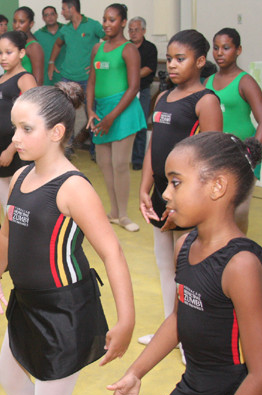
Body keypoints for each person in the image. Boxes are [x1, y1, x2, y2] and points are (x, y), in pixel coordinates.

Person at [0, 83, 135, 395]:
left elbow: (112, 253)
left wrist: (126, 320)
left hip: (64, 312)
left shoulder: (73, 187)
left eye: (26, 129)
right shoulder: (22, 177)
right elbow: (7, 235)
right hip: (25, 302)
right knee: (8, 376)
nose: (15, 138)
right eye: (14, 128)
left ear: (56, 132)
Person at [108, 132, 262, 395]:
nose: (165, 194)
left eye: (176, 183)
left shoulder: (241, 265)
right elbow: (178, 319)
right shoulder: (185, 245)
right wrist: (135, 373)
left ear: (217, 186)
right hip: (194, 387)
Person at [137, 29, 223, 350]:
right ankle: (170, 332)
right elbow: (152, 147)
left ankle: (192, 339)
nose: (172, 65)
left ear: (200, 62)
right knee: (165, 265)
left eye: (180, 59)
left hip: (188, 198)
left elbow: (211, 159)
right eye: (170, 58)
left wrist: (181, 202)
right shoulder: (162, 97)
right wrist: (146, 188)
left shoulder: (205, 101)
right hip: (162, 194)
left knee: (188, 270)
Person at [86, 4, 146, 233]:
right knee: (104, 164)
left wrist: (112, 116)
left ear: (122, 22)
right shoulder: (97, 49)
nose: (107, 24)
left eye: (112, 20)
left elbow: (134, 87)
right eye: (104, 19)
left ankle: (123, 215)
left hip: (123, 110)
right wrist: (90, 110)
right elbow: (91, 81)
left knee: (120, 164)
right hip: (101, 111)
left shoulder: (129, 50)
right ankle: (113, 212)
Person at [205, 27, 262, 233]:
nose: (219, 53)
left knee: (239, 210)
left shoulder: (245, 81)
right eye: (216, 48)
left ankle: (239, 248)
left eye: (226, 48)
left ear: (238, 50)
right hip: (216, 154)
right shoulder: (208, 81)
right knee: (216, 207)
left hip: (243, 154)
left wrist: (252, 154)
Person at [0, 30, 38, 209]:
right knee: (5, 201)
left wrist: (11, 150)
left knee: (22, 198)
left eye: (8, 52)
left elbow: (31, 119)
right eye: (0, 52)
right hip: (0, 148)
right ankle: (8, 235)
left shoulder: (25, 79)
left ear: (21, 53)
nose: (3, 57)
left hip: (19, 148)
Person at [47, 0, 105, 93]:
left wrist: (98, 62)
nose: (61, 13)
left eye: (63, 9)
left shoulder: (93, 25)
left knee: (90, 106)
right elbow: (58, 44)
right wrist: (51, 62)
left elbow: (111, 41)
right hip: (67, 78)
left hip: (87, 77)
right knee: (66, 106)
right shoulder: (65, 29)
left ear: (72, 9)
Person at [128, 17, 158, 171]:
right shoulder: (125, 47)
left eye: (136, 30)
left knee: (140, 124)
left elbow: (149, 68)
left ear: (144, 31)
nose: (133, 33)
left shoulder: (150, 48)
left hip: (142, 90)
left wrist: (131, 75)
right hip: (125, 91)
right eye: (131, 30)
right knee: (126, 125)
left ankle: (138, 159)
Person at [33, 6, 66, 86]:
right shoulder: (37, 35)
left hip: (65, 75)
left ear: (57, 15)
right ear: (43, 18)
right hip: (46, 78)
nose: (50, 17)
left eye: (52, 14)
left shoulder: (66, 30)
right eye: (46, 15)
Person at [13, 7, 45, 86]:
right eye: (14, 21)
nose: (17, 25)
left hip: (25, 95)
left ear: (31, 24)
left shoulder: (34, 47)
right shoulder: (14, 44)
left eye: (22, 22)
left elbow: (38, 82)